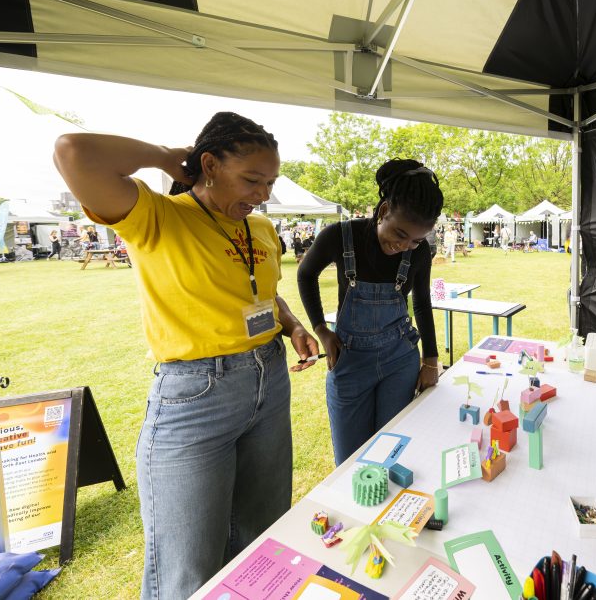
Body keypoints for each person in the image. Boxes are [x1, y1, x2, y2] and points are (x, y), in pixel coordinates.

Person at [53, 111, 320, 600]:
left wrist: (294, 325)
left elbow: (261, 294)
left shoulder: (259, 228)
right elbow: (74, 151)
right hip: (197, 396)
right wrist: (162, 158)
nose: (263, 194)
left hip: (269, 381)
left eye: (270, 182)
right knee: (187, 564)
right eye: (252, 180)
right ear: (210, 164)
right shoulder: (157, 217)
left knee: (262, 537)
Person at [298, 159, 443, 465]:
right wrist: (321, 329)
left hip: (399, 361)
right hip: (349, 363)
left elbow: (422, 303)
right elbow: (305, 274)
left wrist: (430, 360)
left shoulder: (418, 253)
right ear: (383, 211)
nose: (404, 246)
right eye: (400, 233)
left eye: (416, 240)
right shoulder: (339, 236)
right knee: (349, 462)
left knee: (390, 455)